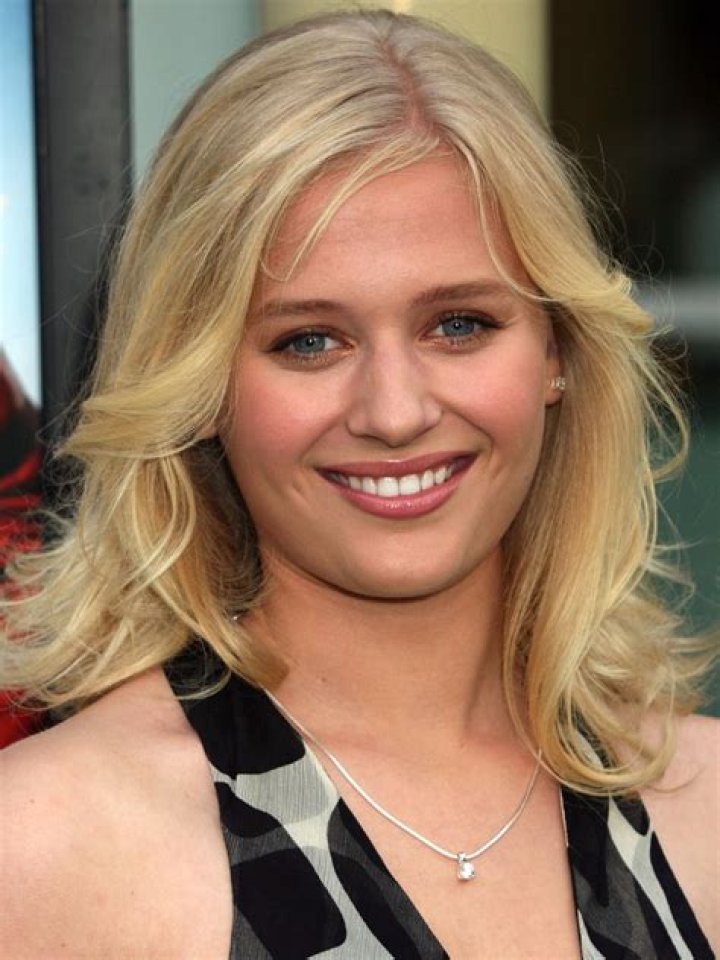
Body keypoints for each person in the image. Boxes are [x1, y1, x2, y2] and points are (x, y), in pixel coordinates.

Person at [1, 10, 717, 959]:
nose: (394, 411)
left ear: (558, 354)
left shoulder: (704, 806)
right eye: (310, 341)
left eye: (458, 325)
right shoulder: (47, 848)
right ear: (201, 386)